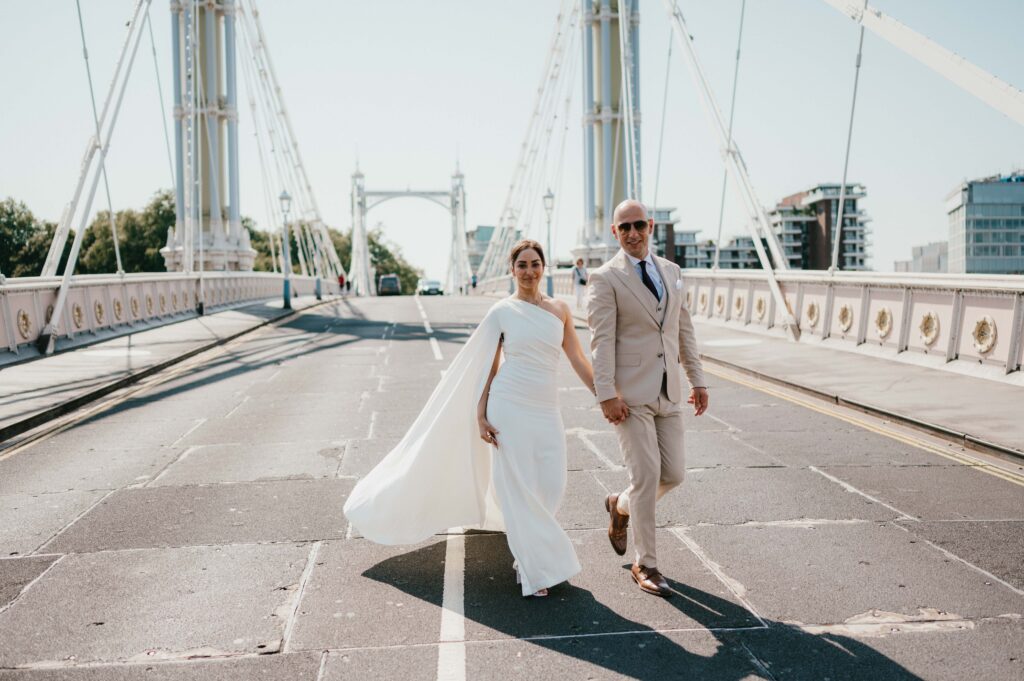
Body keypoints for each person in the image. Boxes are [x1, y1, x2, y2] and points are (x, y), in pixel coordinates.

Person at [344, 239, 595, 598]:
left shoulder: (560, 309)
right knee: (520, 487)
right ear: (512, 271)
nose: (529, 271)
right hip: (509, 405)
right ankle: (533, 565)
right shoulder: (502, 312)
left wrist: (604, 395)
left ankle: (534, 550)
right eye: (521, 265)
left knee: (551, 483)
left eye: (535, 263)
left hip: (546, 407)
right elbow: (487, 366)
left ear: (544, 268)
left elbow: (577, 357)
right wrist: (480, 413)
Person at [587, 199, 709, 598]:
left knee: (673, 474)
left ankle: (619, 505)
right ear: (615, 233)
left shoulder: (672, 272)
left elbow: (682, 331)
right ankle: (646, 564)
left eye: (639, 225)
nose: (633, 233)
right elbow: (601, 341)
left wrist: (698, 380)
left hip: (668, 390)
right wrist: (606, 393)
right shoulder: (605, 279)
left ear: (651, 226)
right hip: (629, 396)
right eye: (625, 228)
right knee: (647, 476)